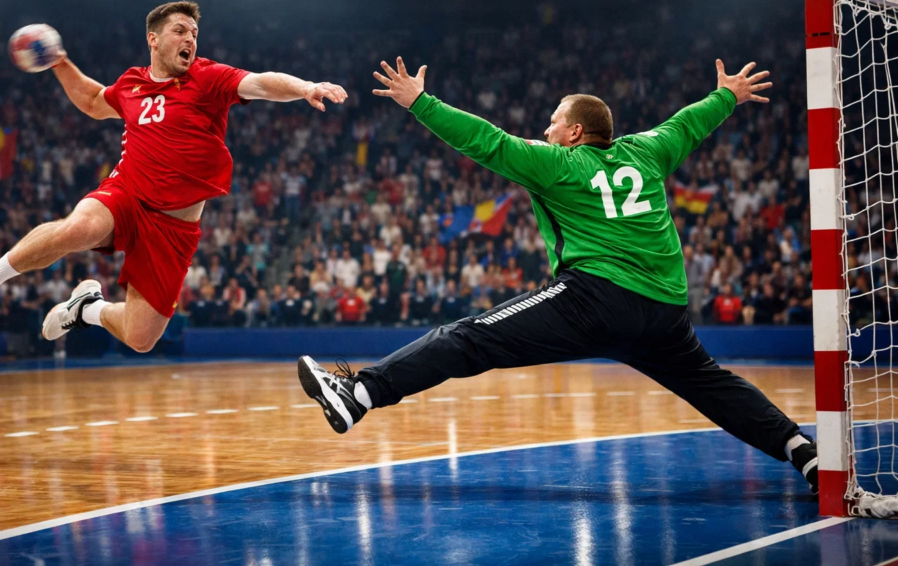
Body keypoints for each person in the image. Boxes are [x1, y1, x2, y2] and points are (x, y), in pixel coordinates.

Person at [297, 56, 819, 493]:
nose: (545, 129)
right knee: (712, 384)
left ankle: (359, 394)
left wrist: (420, 102)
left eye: (552, 122)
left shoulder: (559, 162)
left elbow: (488, 142)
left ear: (573, 132)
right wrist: (726, 96)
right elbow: (689, 122)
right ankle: (803, 451)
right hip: (665, 310)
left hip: (595, 300)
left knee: (466, 339)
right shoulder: (652, 150)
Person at [0, 1, 347, 352]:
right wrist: (59, 62)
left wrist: (305, 86)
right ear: (153, 38)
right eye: (179, 30)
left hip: (173, 227)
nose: (190, 39)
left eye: (194, 33)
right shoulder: (132, 84)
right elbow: (94, 101)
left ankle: (87, 308)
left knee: (140, 337)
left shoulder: (206, 78)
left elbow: (261, 83)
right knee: (78, 228)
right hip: (127, 193)